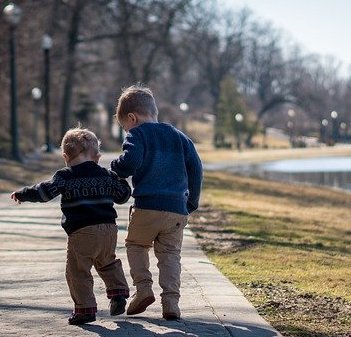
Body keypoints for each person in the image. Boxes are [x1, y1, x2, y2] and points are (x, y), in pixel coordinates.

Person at [11, 127, 131, 325]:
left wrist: (23, 194)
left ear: (65, 156)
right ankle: (118, 293)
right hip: (108, 230)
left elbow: (44, 192)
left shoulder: (65, 176)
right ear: (97, 156)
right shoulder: (105, 174)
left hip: (82, 231)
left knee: (77, 271)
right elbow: (123, 196)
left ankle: (85, 309)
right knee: (107, 262)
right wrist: (122, 181)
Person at [111, 84, 203, 320]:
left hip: (147, 206)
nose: (126, 130)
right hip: (176, 209)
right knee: (170, 254)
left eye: (124, 126)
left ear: (132, 118)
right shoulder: (179, 136)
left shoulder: (137, 134)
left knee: (136, 245)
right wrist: (191, 201)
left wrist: (116, 167)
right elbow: (196, 168)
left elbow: (129, 163)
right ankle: (171, 303)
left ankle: (143, 289)